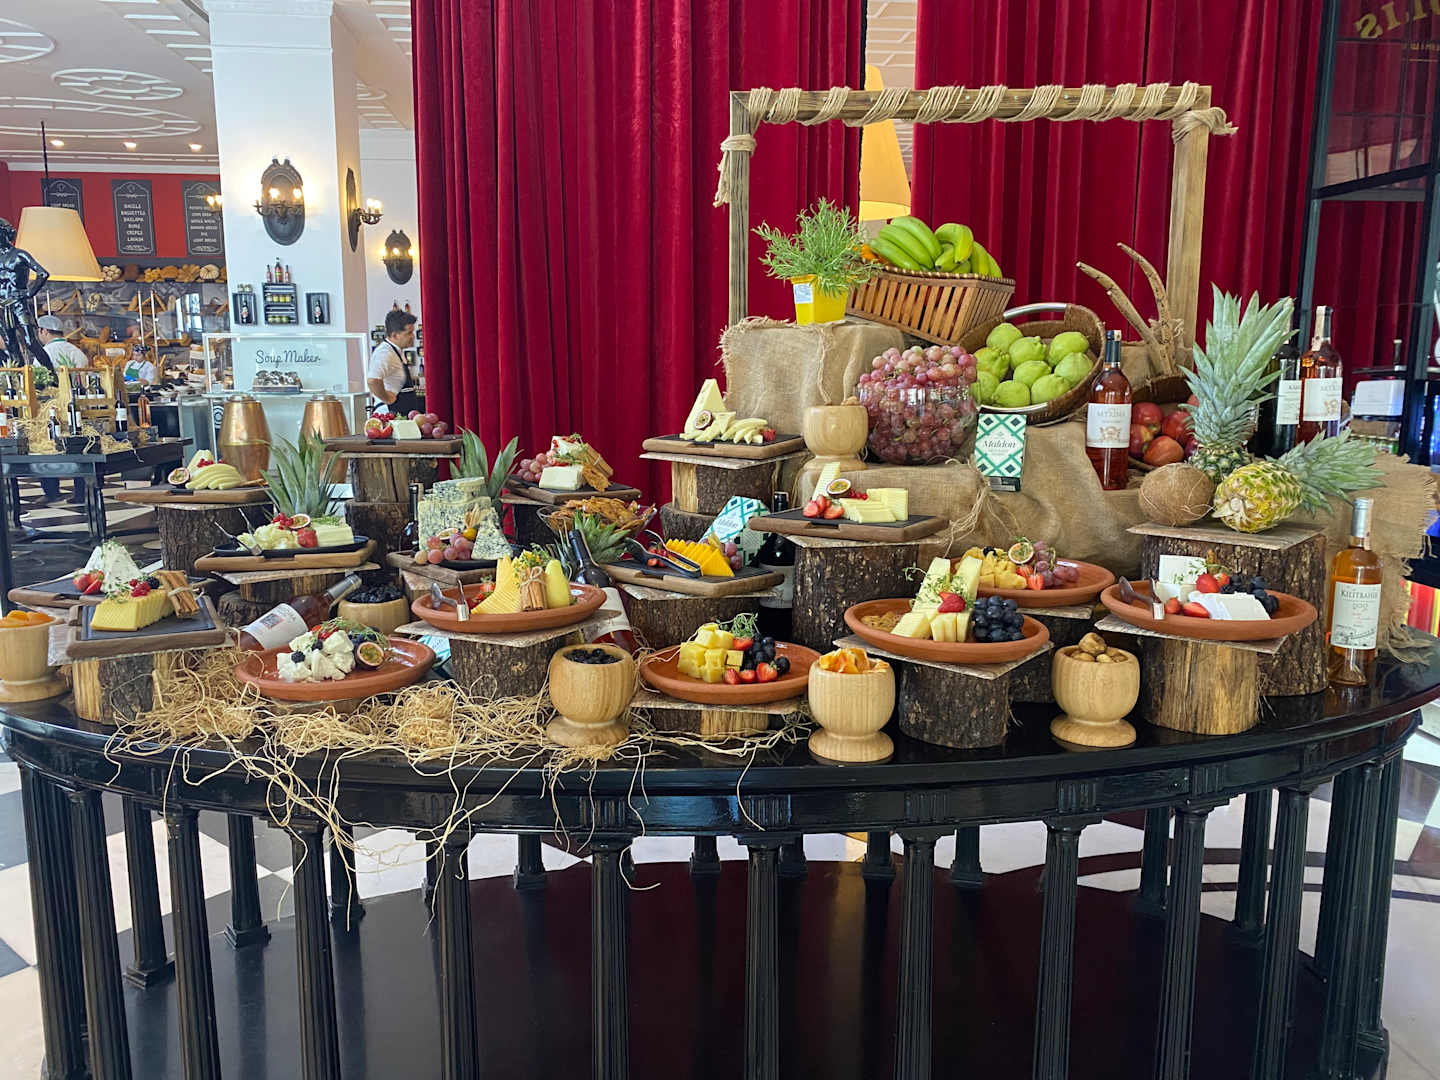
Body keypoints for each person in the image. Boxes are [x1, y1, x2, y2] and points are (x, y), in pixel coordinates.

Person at [0, 218, 52, 372]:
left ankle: (52, 376)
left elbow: (43, 273)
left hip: (18, 304)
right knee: (10, 344)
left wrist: (29, 292)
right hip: (2, 306)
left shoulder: (20, 254)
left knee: (30, 342)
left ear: (4, 233)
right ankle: (21, 378)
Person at [366, 308, 420, 415]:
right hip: (389, 414)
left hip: (401, 413)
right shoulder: (385, 353)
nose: (413, 336)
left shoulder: (397, 351)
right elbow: (372, 380)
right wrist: (387, 399)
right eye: (409, 333)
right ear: (395, 335)